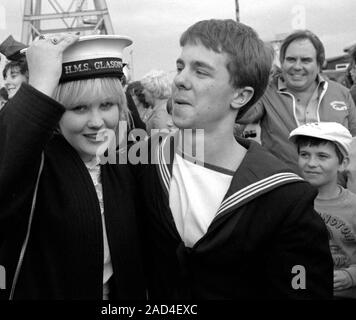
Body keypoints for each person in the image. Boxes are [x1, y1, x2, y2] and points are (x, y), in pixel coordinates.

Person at [134, 19, 333, 299]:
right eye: (181, 67)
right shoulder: (141, 162)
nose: (179, 79)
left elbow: (302, 289)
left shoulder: (285, 196)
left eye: (200, 71)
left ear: (240, 95)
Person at [0, 34, 145, 299]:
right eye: (79, 108)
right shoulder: (32, 163)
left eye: (107, 105)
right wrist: (39, 85)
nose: (97, 122)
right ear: (54, 112)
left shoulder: (122, 164)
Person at [237, 30, 356, 174]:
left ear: (319, 64)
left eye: (306, 60)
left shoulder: (341, 93)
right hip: (286, 189)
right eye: (291, 59)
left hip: (336, 191)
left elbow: (354, 141)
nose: (297, 66)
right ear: (282, 62)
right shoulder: (266, 92)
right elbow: (240, 116)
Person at [289, 122, 356, 299]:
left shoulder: (353, 207)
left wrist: (351, 276)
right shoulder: (289, 205)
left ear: (343, 163)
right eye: (304, 154)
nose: (311, 163)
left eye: (322, 156)